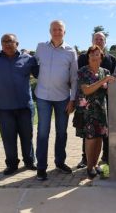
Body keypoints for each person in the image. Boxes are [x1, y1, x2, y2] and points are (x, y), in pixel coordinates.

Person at [0, 34, 38, 175]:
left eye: (10, 41)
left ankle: (30, 161)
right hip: (4, 108)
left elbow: (41, 76)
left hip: (25, 106)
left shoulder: (28, 59)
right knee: (8, 138)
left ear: (17, 43)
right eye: (4, 41)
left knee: (27, 136)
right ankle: (12, 164)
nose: (7, 44)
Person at [34, 20, 78, 181]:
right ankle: (41, 167)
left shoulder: (70, 51)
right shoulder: (40, 47)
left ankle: (60, 162)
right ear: (50, 31)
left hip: (62, 98)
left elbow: (74, 77)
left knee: (61, 133)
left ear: (64, 32)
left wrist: (72, 99)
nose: (57, 32)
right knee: (43, 133)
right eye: (54, 29)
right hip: (43, 97)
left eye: (60, 29)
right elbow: (32, 65)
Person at [76, 32, 116, 168]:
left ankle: (102, 159)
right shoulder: (82, 65)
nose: (99, 41)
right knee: (89, 136)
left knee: (101, 135)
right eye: (96, 39)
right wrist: (104, 81)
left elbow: (112, 83)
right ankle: (86, 161)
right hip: (87, 107)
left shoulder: (110, 63)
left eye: (101, 39)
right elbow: (85, 89)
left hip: (103, 105)